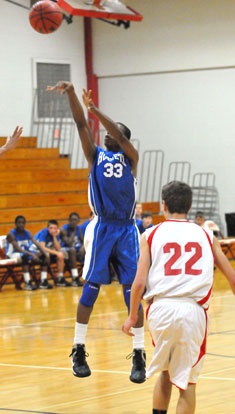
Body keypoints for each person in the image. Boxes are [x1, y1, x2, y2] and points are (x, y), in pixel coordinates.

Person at [47, 82, 145, 383]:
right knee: (91, 288)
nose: (105, 135)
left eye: (112, 132)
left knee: (133, 293)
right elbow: (80, 124)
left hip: (127, 230)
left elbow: (113, 130)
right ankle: (78, 347)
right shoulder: (95, 155)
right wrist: (73, 94)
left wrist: (95, 110)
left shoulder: (131, 158)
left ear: (122, 138)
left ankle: (139, 353)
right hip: (102, 227)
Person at [122, 181, 235, 414]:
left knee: (165, 372)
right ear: (190, 205)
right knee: (187, 382)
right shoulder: (206, 234)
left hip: (160, 310)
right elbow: (232, 278)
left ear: (163, 204)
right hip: (192, 312)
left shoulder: (150, 234)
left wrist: (133, 316)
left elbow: (139, 283)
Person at [6, 215, 50, 290]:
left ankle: (43, 281)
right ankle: (27, 282)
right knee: (25, 257)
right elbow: (17, 249)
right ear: (15, 224)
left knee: (43, 255)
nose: (21, 224)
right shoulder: (11, 234)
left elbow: (37, 243)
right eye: (19, 223)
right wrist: (32, 254)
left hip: (25, 253)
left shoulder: (27, 233)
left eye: (23, 223)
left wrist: (45, 254)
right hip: (12, 254)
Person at [34, 220, 72, 287]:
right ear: (47, 228)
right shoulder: (44, 232)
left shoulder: (55, 234)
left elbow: (58, 248)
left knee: (61, 255)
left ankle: (60, 278)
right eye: (51, 228)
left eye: (55, 228)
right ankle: (43, 280)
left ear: (57, 229)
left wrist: (54, 236)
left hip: (47, 251)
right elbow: (42, 247)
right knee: (47, 255)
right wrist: (56, 253)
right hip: (34, 251)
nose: (52, 230)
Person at [60, 212, 85, 286]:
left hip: (77, 251)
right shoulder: (63, 229)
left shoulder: (79, 228)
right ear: (69, 220)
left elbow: (83, 241)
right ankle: (75, 277)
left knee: (91, 250)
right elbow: (69, 243)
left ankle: (94, 276)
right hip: (65, 250)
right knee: (72, 250)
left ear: (78, 221)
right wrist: (73, 231)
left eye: (75, 220)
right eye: (72, 220)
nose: (74, 222)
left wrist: (83, 248)